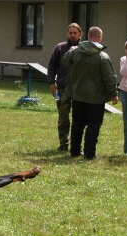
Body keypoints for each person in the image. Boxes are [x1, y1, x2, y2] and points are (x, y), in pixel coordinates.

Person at [61, 26, 119, 160]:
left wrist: (70, 51)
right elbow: (110, 77)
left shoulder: (76, 52)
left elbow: (64, 60)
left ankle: (74, 151)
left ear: (87, 36)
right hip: (95, 97)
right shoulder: (102, 56)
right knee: (93, 125)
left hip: (77, 95)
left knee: (77, 123)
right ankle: (89, 153)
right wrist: (113, 93)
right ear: (100, 37)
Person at [47, 23, 83, 152]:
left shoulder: (84, 48)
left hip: (79, 89)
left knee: (78, 119)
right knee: (63, 118)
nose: (73, 35)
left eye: (75, 33)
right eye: (70, 33)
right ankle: (63, 144)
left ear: (80, 34)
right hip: (62, 88)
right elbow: (52, 66)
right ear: (67, 34)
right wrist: (52, 83)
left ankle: (76, 145)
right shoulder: (60, 48)